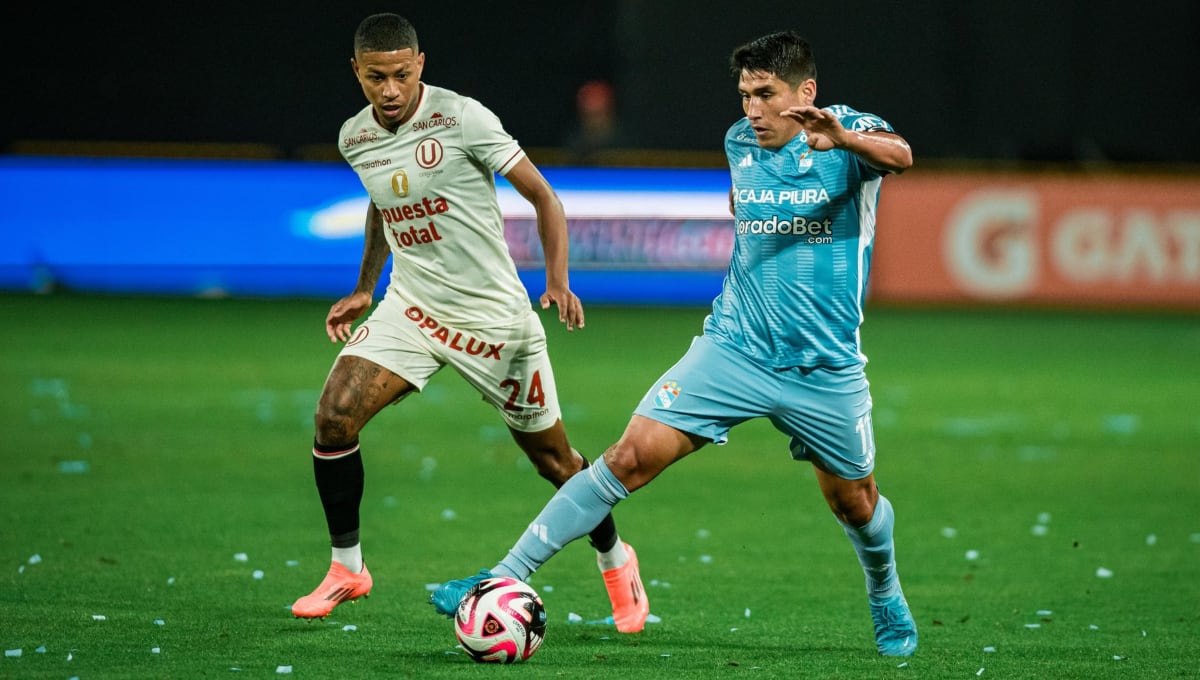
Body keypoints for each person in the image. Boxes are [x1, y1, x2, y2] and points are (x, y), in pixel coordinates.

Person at [431, 30, 918, 656]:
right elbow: (748, 211)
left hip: (823, 368)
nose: (753, 110)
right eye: (745, 94)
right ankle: (501, 575)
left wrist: (843, 139)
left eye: (766, 95)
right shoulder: (740, 141)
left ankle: (885, 594)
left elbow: (902, 156)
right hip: (734, 348)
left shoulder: (852, 133)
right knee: (629, 456)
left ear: (807, 92)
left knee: (855, 502)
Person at [291, 13, 648, 635]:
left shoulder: (463, 118)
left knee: (555, 460)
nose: (391, 90)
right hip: (411, 306)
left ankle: (617, 560)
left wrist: (557, 281)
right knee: (333, 416)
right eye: (376, 77)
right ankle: (347, 566)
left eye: (402, 75)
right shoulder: (355, 137)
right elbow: (383, 208)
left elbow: (543, 196)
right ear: (357, 73)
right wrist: (363, 289)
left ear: (420, 65)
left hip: (494, 320)